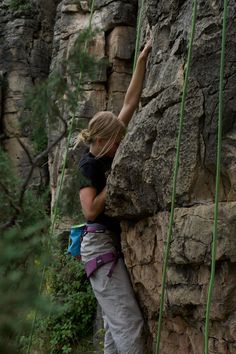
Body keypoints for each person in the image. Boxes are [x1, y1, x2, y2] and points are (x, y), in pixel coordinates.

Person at [77, 39, 152, 354]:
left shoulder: (106, 151)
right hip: (98, 246)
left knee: (113, 332)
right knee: (130, 328)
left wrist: (142, 60)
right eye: (118, 140)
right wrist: (114, 182)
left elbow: (130, 102)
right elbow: (90, 211)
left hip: (104, 249)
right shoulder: (89, 165)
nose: (121, 145)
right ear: (105, 139)